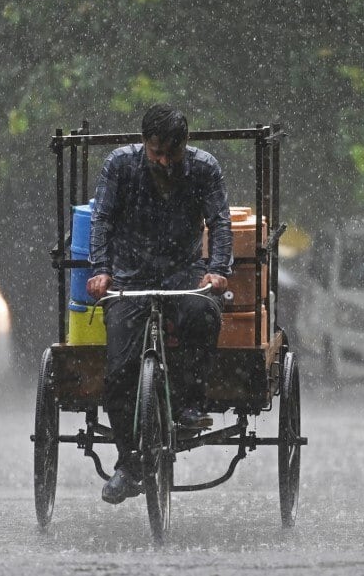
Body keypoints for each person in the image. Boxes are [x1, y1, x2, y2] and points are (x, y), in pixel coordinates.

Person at [87, 103, 232, 504]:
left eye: (173, 153)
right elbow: (102, 220)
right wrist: (101, 270)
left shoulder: (204, 168)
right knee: (119, 372)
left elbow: (220, 222)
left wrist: (217, 270)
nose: (165, 162)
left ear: (186, 144)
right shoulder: (120, 166)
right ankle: (128, 462)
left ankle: (189, 404)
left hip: (184, 272)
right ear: (144, 143)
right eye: (157, 153)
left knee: (203, 314)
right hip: (129, 276)